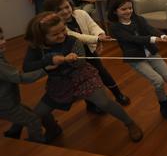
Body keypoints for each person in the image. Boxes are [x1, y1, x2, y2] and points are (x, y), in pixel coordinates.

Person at [23, 12, 143, 142]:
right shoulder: (36, 47)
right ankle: (53, 129)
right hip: (59, 83)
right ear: (41, 37)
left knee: (104, 103)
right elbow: (27, 67)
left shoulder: (73, 40)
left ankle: (130, 123)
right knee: (40, 113)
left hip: (83, 77)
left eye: (63, 30)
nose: (62, 35)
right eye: (55, 34)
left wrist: (69, 60)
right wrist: (48, 61)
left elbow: (80, 63)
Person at [108, 0, 167, 119]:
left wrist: (162, 36)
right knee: (158, 81)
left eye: (130, 8)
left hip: (151, 53)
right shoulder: (114, 27)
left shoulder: (138, 19)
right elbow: (132, 39)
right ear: (115, 11)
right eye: (123, 9)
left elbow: (150, 28)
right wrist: (152, 39)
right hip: (136, 58)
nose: (128, 11)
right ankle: (164, 104)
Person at [43, 0, 131, 110]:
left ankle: (118, 94)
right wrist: (97, 39)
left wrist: (100, 34)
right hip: (73, 55)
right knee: (82, 79)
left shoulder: (81, 13)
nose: (65, 11)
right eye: (59, 10)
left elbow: (92, 25)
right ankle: (91, 104)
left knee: (102, 72)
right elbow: (76, 36)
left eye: (66, 7)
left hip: (89, 50)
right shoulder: (58, 25)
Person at [0, 26, 48, 143]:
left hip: (9, 102)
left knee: (26, 113)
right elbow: (19, 78)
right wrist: (45, 70)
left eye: (2, 38)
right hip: (5, 105)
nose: (2, 42)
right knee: (33, 120)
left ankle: (12, 133)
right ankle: (36, 143)